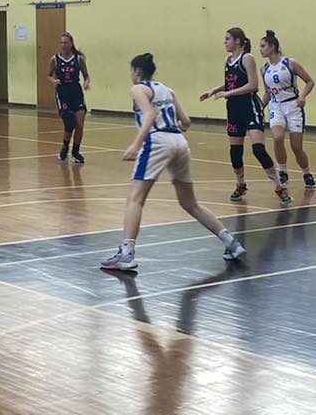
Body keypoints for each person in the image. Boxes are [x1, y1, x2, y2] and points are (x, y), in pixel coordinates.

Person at [100, 53, 245, 273]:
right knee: (190, 203)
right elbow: (186, 122)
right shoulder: (167, 90)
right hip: (179, 141)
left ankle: (126, 254)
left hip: (157, 141)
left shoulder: (138, 89)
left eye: (131, 71)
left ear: (137, 72)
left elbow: (149, 115)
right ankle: (231, 243)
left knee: (135, 199)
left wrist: (136, 145)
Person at [200, 29, 288, 204]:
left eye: (227, 39)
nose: (225, 42)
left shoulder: (247, 58)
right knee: (235, 152)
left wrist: (228, 93)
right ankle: (240, 185)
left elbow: (253, 85)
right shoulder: (228, 60)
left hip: (249, 107)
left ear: (238, 41)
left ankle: (279, 186)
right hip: (234, 109)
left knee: (258, 150)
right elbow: (231, 83)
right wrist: (214, 90)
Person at [259, 30, 316, 190]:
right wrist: (258, 109)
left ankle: (306, 173)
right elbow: (267, 93)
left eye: (263, 46)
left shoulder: (290, 63)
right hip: (276, 106)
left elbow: (310, 81)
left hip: (293, 106)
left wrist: (302, 96)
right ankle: (282, 171)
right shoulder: (264, 69)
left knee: (296, 147)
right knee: (277, 137)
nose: (260, 49)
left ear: (272, 46)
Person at [48, 31, 91, 164]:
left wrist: (86, 83)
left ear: (71, 43)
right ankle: (65, 147)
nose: (63, 45)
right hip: (62, 94)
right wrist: (53, 80)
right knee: (69, 124)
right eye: (61, 42)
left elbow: (86, 75)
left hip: (76, 93)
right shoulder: (55, 59)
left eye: (65, 42)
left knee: (79, 125)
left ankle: (76, 151)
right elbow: (49, 75)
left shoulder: (78, 59)